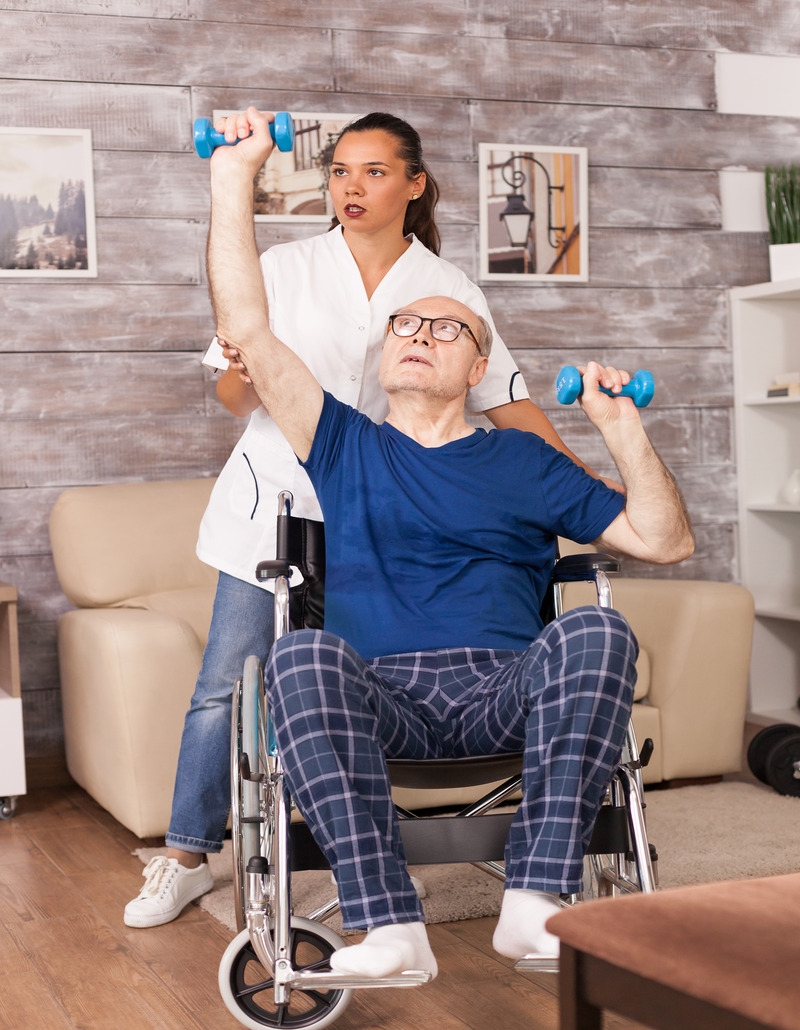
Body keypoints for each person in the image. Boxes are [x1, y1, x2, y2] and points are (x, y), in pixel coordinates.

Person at [197, 110, 695, 978]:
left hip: (504, 686)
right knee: (299, 658)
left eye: (446, 330)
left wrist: (620, 431)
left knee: (601, 630)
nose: (420, 334)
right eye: (404, 327)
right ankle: (392, 933)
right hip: (383, 692)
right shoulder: (343, 441)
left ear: (481, 369)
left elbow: (663, 539)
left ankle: (535, 905)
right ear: (383, 358)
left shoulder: (523, 460)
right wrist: (233, 174)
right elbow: (247, 322)